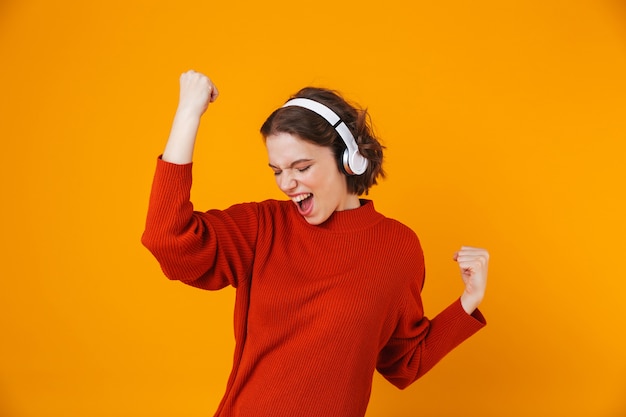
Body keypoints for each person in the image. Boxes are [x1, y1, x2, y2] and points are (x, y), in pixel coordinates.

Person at [142, 70, 489, 417]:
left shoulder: (398, 248)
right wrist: (188, 114)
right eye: (277, 170)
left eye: (302, 167)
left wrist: (468, 301)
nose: (287, 183)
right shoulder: (263, 228)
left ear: (348, 159)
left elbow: (405, 361)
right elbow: (168, 239)